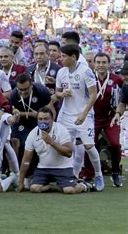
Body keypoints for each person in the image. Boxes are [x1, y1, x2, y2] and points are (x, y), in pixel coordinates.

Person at [53, 44, 103, 191]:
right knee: (64, 146)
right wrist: (62, 94)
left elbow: (94, 94)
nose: (60, 59)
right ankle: (68, 175)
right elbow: (57, 93)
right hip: (65, 115)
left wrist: (84, 114)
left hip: (84, 114)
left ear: (73, 57)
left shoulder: (85, 71)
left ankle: (99, 174)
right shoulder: (61, 72)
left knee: (88, 146)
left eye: (63, 56)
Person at [18, 107, 90, 194]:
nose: (43, 121)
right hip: (43, 169)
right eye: (40, 119)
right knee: (34, 188)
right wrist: (21, 182)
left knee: (69, 190)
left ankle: (84, 185)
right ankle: (54, 187)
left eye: (46, 119)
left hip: (63, 168)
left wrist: (52, 142)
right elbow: (26, 160)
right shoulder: (33, 134)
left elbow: (69, 153)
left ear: (52, 119)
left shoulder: (61, 130)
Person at [84, 53, 123, 187]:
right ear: (94, 64)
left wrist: (119, 111)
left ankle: (116, 172)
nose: (101, 65)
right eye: (98, 62)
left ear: (109, 64)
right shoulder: (88, 78)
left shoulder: (117, 79)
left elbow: (125, 97)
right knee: (89, 145)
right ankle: (89, 174)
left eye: (104, 62)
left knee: (115, 144)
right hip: (91, 118)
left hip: (110, 118)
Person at [9, 74, 54, 160]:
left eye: (26, 89)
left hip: (41, 121)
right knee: (16, 141)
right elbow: (15, 113)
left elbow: (51, 111)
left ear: (31, 85)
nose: (23, 92)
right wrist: (21, 114)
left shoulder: (41, 91)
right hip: (22, 122)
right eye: (20, 89)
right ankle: (16, 169)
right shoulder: (14, 94)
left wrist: (51, 127)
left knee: (38, 143)